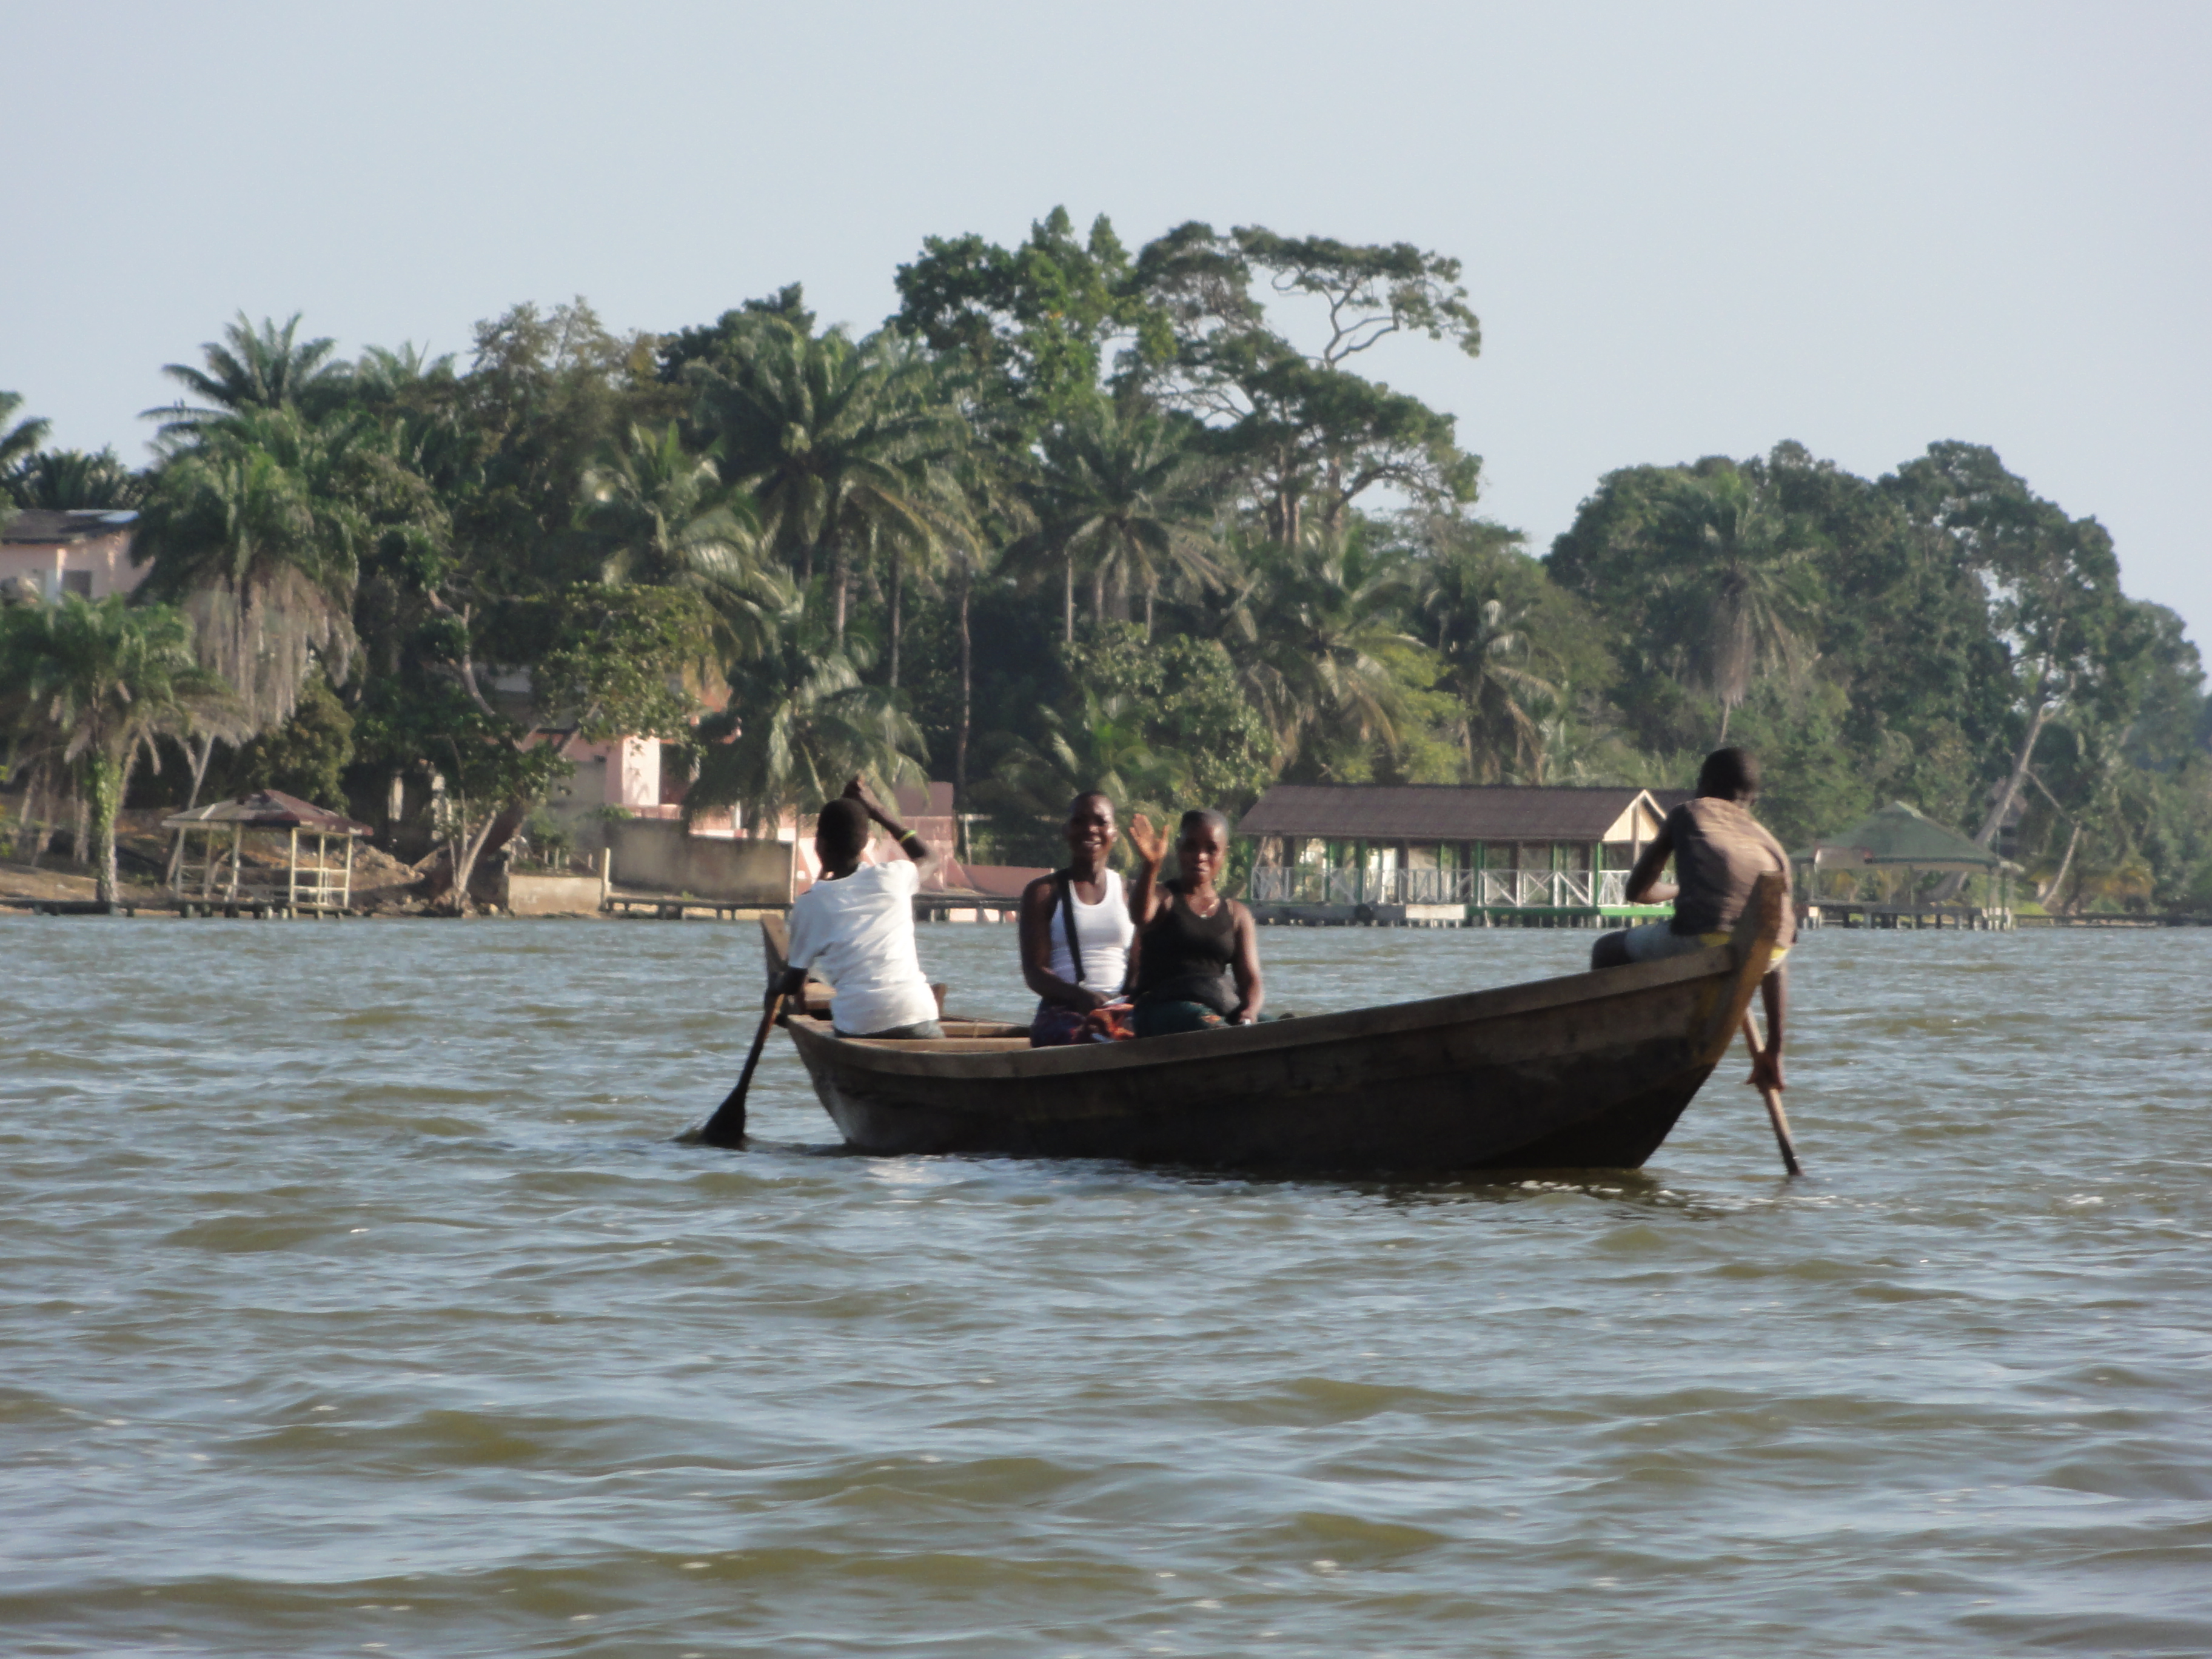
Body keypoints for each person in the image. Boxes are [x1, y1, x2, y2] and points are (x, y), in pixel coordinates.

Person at [1590, 747, 1792, 1093]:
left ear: (1704, 785)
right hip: (1771, 953)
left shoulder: (1688, 812)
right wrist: (1773, 1049)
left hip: (1705, 938)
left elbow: (1638, 891)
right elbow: (1776, 956)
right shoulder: (1770, 843)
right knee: (1763, 955)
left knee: (1607, 949)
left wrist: (1680, 889)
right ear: (1753, 801)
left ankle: (1604, 1050)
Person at [771, 777, 942, 1039]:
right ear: (864, 844)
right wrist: (878, 812)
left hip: (860, 1024)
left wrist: (774, 988)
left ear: (820, 845)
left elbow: (794, 982)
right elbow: (928, 857)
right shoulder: (894, 877)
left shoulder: (810, 903)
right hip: (917, 1013)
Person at [1124, 808, 1263, 1036]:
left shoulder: (1238, 914)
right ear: (1178, 848)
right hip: (1161, 1008)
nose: (1200, 856)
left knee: (1278, 1028)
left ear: (1224, 853)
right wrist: (1151, 866)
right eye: (1191, 847)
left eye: (1211, 849)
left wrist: (1250, 1013)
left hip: (1218, 1004)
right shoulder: (1163, 898)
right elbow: (1139, 915)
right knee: (1208, 1024)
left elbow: (1250, 979)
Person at [1018, 791, 1137, 1046]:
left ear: (1114, 833)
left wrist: (1122, 1003)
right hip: (1064, 1008)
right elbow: (1034, 972)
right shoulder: (1043, 893)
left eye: (1101, 822)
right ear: (1067, 831)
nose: (1090, 830)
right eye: (1079, 821)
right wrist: (1080, 996)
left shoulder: (1132, 893)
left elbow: (1141, 967)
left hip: (1122, 1005)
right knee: (1089, 1038)